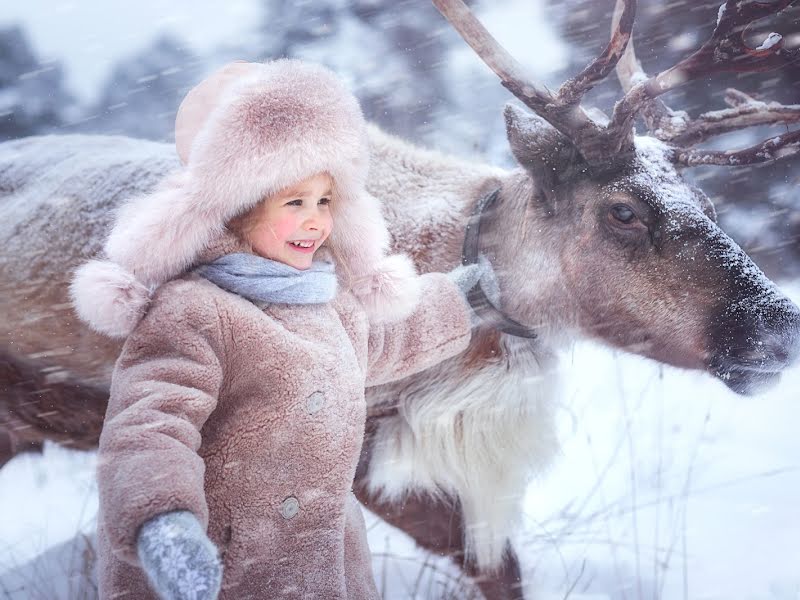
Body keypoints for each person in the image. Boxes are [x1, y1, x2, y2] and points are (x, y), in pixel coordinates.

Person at [70, 59, 489, 599]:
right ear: (240, 208)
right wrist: (164, 523)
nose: (316, 220)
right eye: (295, 202)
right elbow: (150, 425)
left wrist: (464, 298)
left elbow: (379, 343)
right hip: (223, 565)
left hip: (323, 562)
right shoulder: (194, 311)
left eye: (325, 201)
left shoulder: (326, 301)